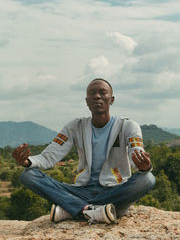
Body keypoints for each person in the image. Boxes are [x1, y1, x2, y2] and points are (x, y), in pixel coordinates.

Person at [12, 78, 156, 225]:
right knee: (28, 175)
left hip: (115, 189)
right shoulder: (75, 126)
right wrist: (27, 161)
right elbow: (50, 155)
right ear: (87, 101)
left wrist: (144, 167)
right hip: (82, 189)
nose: (97, 96)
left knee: (148, 178)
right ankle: (95, 210)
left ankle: (73, 208)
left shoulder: (127, 126)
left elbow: (136, 152)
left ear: (111, 99)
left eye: (102, 93)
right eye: (92, 93)